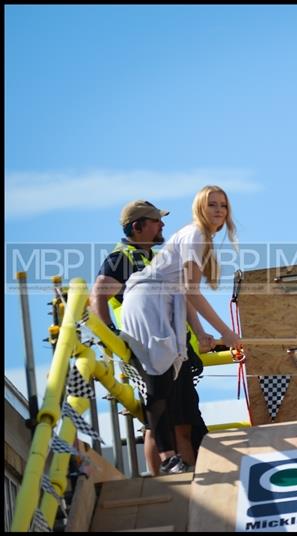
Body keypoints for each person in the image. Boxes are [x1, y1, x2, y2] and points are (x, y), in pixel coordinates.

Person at [120, 186, 241, 474]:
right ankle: (165, 464)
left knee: (166, 390)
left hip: (161, 306)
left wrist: (200, 334)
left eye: (223, 205)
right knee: (159, 390)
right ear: (200, 207)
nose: (219, 210)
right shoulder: (196, 234)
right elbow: (191, 291)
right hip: (149, 306)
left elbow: (184, 294)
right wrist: (228, 333)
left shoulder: (200, 238)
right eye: (212, 204)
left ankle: (174, 463)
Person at [89, 200, 212, 475]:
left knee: (183, 420)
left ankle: (190, 475)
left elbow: (183, 298)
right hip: (147, 350)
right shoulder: (122, 259)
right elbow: (96, 296)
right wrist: (112, 334)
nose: (163, 225)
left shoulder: (152, 259)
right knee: (158, 418)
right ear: (138, 226)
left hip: (171, 349)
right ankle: (159, 480)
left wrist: (201, 335)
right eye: (156, 221)